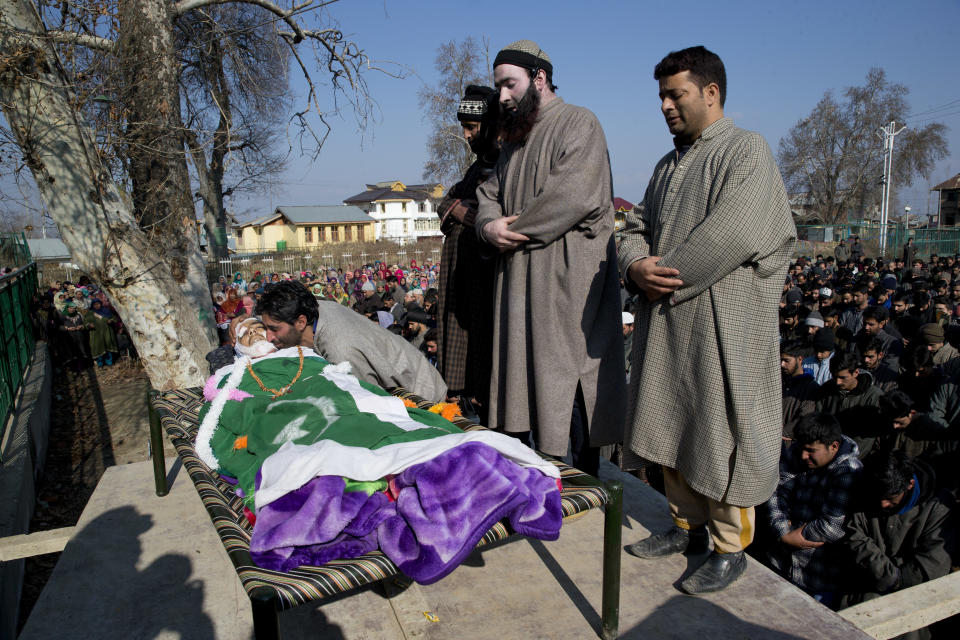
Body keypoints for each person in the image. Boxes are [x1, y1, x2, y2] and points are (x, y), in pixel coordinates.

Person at [619, 45, 796, 593]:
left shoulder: (746, 151)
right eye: (662, 97)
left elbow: (733, 234)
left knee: (719, 436)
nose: (667, 106)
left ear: (711, 93)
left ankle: (728, 547)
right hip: (670, 325)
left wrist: (658, 276)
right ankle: (686, 529)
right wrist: (633, 265)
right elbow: (631, 228)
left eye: (677, 94)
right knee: (671, 427)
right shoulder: (666, 165)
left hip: (724, 331)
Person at [475, 39, 625, 476]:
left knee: (569, 389)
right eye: (498, 86)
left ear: (539, 78)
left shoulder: (580, 123)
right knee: (525, 390)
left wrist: (510, 228)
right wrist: (489, 225)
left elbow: (571, 197)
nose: (502, 96)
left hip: (564, 292)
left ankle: (583, 498)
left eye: (510, 84)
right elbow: (488, 193)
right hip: (519, 290)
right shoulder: (514, 141)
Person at [255, 280, 448, 403]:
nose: (269, 338)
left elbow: (370, 404)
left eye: (274, 329)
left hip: (423, 396)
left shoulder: (340, 350)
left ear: (301, 322)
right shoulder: (315, 308)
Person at [435, 85, 499, 422]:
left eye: (472, 127)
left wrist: (469, 210)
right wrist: (459, 209)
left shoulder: (505, 163)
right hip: (464, 284)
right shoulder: (477, 167)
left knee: (485, 366)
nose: (466, 134)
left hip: (484, 287)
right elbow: (445, 202)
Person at [840, 451, 951, 637]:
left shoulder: (938, 506)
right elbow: (853, 538)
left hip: (911, 601)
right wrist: (891, 573)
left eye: (891, 498)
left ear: (910, 485)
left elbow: (930, 567)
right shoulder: (865, 491)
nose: (883, 504)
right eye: (879, 497)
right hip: (861, 593)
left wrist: (890, 576)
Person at [764, 414, 862, 605]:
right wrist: (784, 533)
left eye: (811, 451)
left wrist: (795, 532)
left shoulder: (848, 471)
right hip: (780, 563)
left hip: (817, 576)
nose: (803, 456)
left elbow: (832, 526)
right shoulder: (796, 453)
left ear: (833, 446)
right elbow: (775, 493)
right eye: (801, 448)